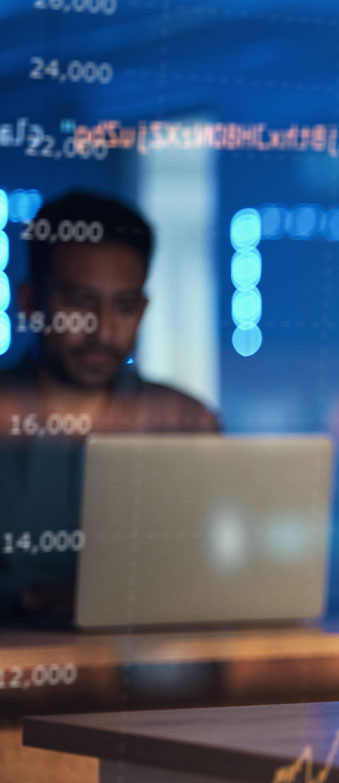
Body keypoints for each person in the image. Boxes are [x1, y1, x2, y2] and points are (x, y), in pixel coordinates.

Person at [0, 190, 219, 621]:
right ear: (29, 303)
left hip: (161, 680)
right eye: (80, 302)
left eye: (124, 306)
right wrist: (35, 601)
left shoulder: (187, 423)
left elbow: (219, 571)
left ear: (143, 309)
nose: (103, 330)